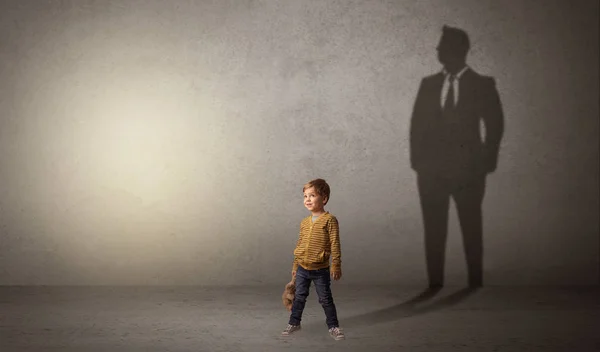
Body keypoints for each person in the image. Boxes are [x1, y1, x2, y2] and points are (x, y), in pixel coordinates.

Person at [409, 25, 504, 288]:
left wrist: (486, 163)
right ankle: (434, 283)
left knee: (471, 225)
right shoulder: (428, 84)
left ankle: (475, 281)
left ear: (459, 50)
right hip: (431, 174)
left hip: (469, 172)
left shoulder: (482, 84)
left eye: (443, 45)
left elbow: (495, 125)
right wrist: (418, 164)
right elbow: (416, 126)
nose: (438, 50)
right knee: (434, 229)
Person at [281, 178, 345, 340]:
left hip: (320, 270)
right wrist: (295, 266)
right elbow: (300, 244)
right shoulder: (304, 222)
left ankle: (334, 326)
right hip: (302, 268)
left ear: (323, 199)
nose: (307, 199)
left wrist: (335, 265)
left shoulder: (330, 220)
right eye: (305, 196)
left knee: (325, 299)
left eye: (312, 195)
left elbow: (335, 243)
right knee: (299, 297)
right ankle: (294, 322)